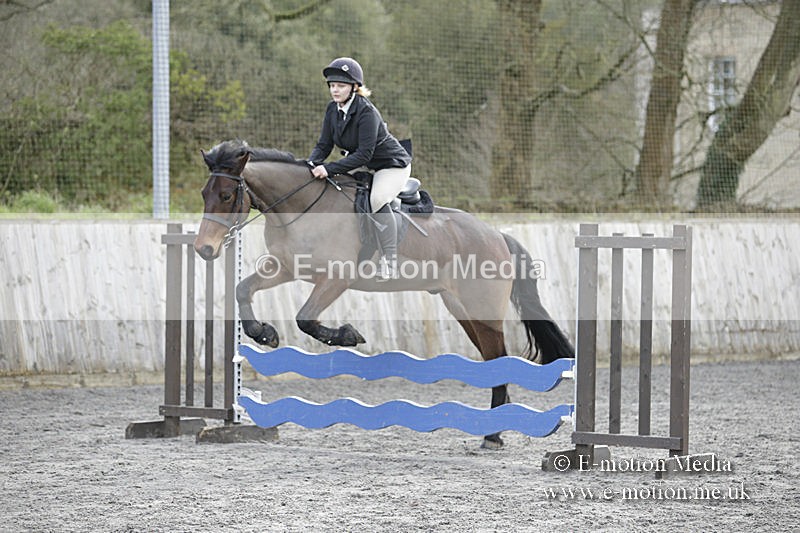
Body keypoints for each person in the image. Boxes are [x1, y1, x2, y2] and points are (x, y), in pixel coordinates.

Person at [308, 57, 411, 281]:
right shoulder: (332, 109)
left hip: (390, 165)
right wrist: (311, 163)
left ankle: (390, 261)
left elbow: (364, 153)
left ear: (354, 87)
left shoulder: (366, 112)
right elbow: (324, 144)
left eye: (341, 86)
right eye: (332, 85)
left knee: (376, 200)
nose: (335, 90)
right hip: (363, 164)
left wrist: (330, 168)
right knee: (337, 194)